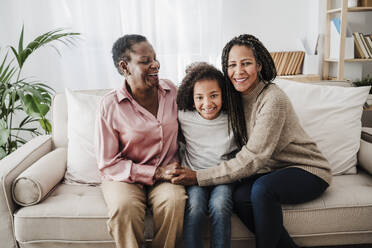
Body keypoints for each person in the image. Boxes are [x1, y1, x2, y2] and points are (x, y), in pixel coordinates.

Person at [170, 34, 332, 248]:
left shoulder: (272, 99)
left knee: (262, 189)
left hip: (307, 170)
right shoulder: (234, 97)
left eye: (246, 63)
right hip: (273, 170)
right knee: (239, 197)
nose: (239, 71)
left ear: (260, 65)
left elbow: (254, 157)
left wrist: (199, 176)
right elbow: (199, 95)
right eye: (232, 65)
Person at [95, 34, 187, 248]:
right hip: (124, 178)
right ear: (124, 66)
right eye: (145, 61)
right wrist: (154, 172)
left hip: (167, 173)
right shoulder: (109, 106)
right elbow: (108, 163)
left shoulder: (170, 91)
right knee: (124, 207)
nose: (155, 64)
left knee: (174, 203)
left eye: (154, 58)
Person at [177, 62, 236, 248]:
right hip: (193, 176)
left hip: (223, 177)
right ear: (191, 98)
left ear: (223, 95)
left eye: (214, 96)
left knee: (220, 206)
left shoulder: (234, 117)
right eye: (199, 97)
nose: (207, 103)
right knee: (195, 208)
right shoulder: (184, 116)